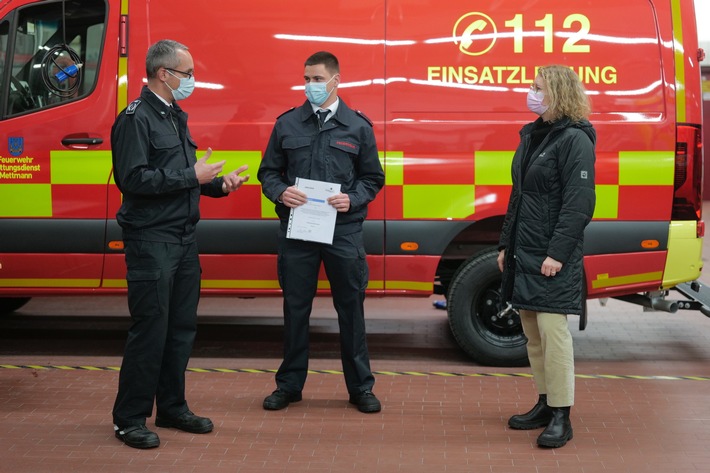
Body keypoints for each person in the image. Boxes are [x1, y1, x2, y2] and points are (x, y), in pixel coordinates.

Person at [110, 39, 250, 449]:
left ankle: (171, 406)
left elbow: (180, 176)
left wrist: (218, 185)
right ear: (163, 74)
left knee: (180, 329)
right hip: (151, 240)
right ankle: (129, 418)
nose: (192, 79)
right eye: (187, 72)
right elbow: (133, 179)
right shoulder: (135, 119)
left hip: (183, 239)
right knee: (151, 330)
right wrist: (194, 176)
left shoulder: (173, 115)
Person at [257, 51, 385, 413]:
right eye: (306, 79)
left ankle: (361, 388)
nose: (310, 86)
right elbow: (268, 173)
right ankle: (289, 386)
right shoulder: (287, 124)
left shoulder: (358, 126)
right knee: (295, 310)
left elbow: (373, 178)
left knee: (351, 310)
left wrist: (353, 198)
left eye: (317, 79)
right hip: (298, 232)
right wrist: (281, 191)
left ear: (335, 81)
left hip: (343, 233)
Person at [497, 65, 596, 448]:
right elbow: (517, 196)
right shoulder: (533, 135)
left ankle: (561, 416)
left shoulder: (575, 139)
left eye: (537, 87)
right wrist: (506, 245)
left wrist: (557, 253)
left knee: (553, 335)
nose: (530, 92)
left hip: (552, 255)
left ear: (557, 92)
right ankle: (544, 402)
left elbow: (579, 203)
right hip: (526, 251)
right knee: (533, 334)